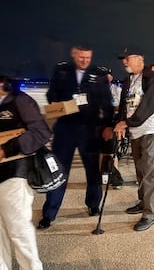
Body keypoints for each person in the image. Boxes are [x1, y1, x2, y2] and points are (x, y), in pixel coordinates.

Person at [38, 45, 114, 229]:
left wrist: (108, 126)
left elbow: (108, 103)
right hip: (65, 129)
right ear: (74, 55)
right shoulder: (62, 71)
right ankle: (49, 213)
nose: (84, 61)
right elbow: (51, 94)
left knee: (93, 171)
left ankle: (93, 204)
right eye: (81, 57)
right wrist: (55, 102)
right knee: (59, 172)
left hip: (90, 130)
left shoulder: (99, 75)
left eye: (87, 57)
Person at [0, 75, 51, 269]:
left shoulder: (19, 100)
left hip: (14, 175)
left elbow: (41, 132)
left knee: (19, 231)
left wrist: (6, 149)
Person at [114, 47, 154, 231]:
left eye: (127, 58)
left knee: (150, 173)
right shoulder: (129, 80)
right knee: (140, 171)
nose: (124, 62)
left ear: (139, 59)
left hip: (148, 131)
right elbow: (124, 106)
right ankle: (143, 203)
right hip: (134, 132)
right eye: (123, 59)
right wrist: (119, 123)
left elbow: (149, 104)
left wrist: (126, 123)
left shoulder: (150, 77)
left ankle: (150, 214)